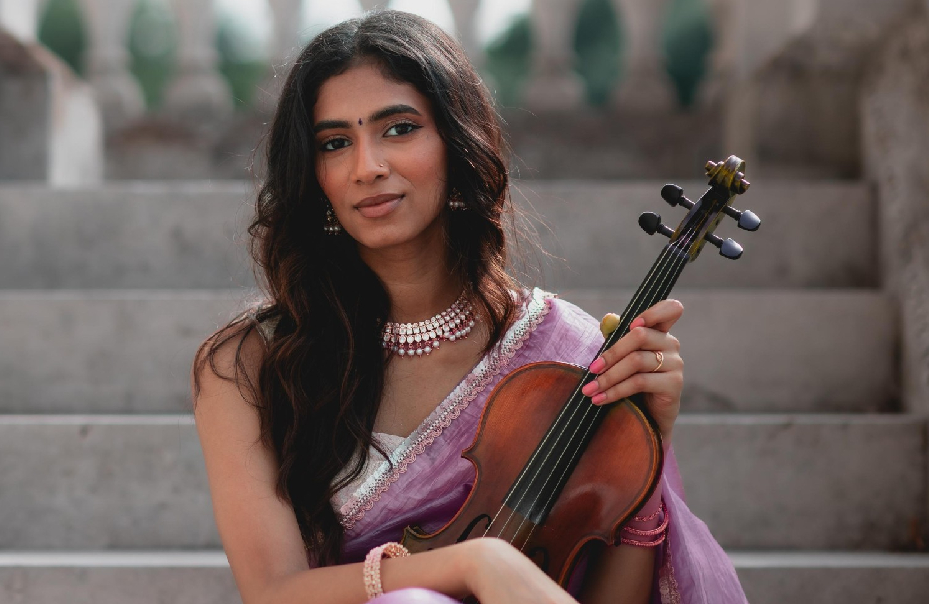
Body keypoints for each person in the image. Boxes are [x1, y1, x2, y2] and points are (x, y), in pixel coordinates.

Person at [193, 10, 747, 604]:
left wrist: (648, 449)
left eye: (399, 129)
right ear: (314, 175)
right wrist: (473, 565)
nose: (368, 167)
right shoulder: (250, 365)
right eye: (335, 143)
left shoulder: (569, 357)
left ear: (456, 145)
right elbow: (272, 590)